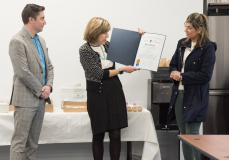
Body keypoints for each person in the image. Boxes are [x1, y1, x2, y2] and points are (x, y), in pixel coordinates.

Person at [79, 17, 145, 160]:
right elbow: (98, 74)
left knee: (115, 134)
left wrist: (140, 38)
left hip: (114, 91)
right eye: (104, 33)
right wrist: (122, 70)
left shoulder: (107, 45)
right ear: (95, 32)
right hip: (97, 94)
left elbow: (130, 52)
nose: (107, 36)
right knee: (98, 134)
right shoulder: (85, 50)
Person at [168, 13, 216, 160]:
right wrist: (174, 72)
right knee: (184, 136)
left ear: (199, 29)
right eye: (186, 27)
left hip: (195, 96)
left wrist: (182, 76)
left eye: (189, 28)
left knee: (193, 136)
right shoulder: (181, 43)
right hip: (179, 94)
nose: (185, 31)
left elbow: (205, 76)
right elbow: (173, 65)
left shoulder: (208, 47)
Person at [9, 4, 54, 160]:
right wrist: (42, 90)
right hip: (26, 100)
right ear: (31, 19)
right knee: (19, 143)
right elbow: (22, 72)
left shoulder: (41, 40)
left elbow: (49, 67)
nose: (45, 22)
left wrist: (48, 85)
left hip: (40, 100)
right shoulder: (17, 41)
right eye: (42, 18)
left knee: (33, 145)